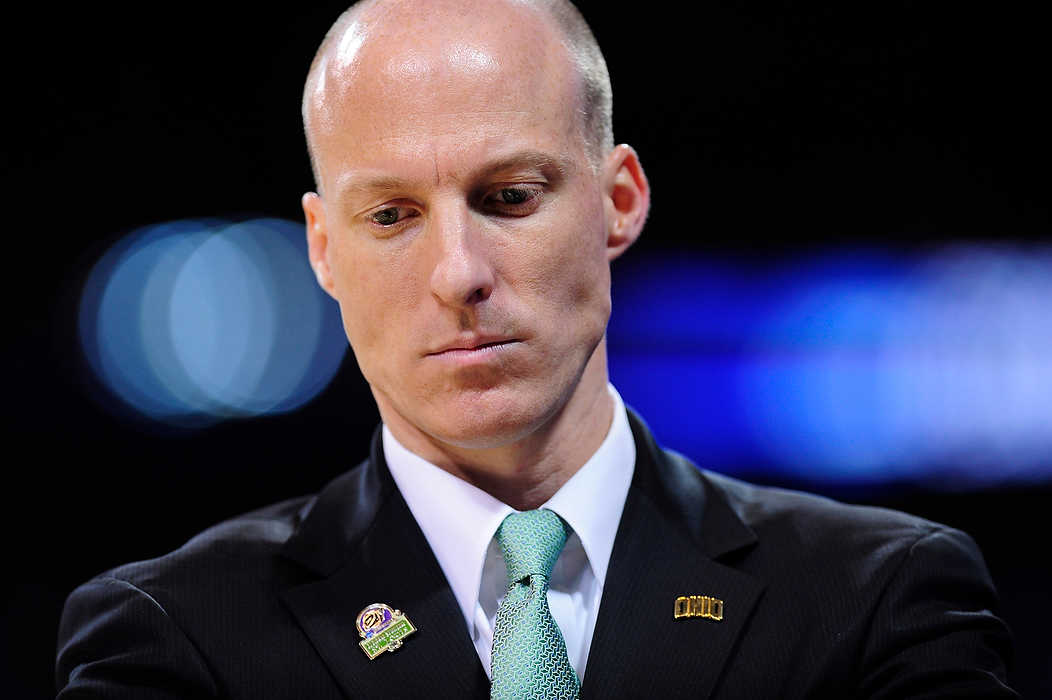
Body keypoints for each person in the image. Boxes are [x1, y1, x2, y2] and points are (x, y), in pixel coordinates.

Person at [56, 0, 1017, 697]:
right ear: (322, 249)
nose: (458, 273)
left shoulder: (878, 606)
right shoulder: (175, 641)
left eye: (509, 197)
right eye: (391, 215)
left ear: (620, 201)